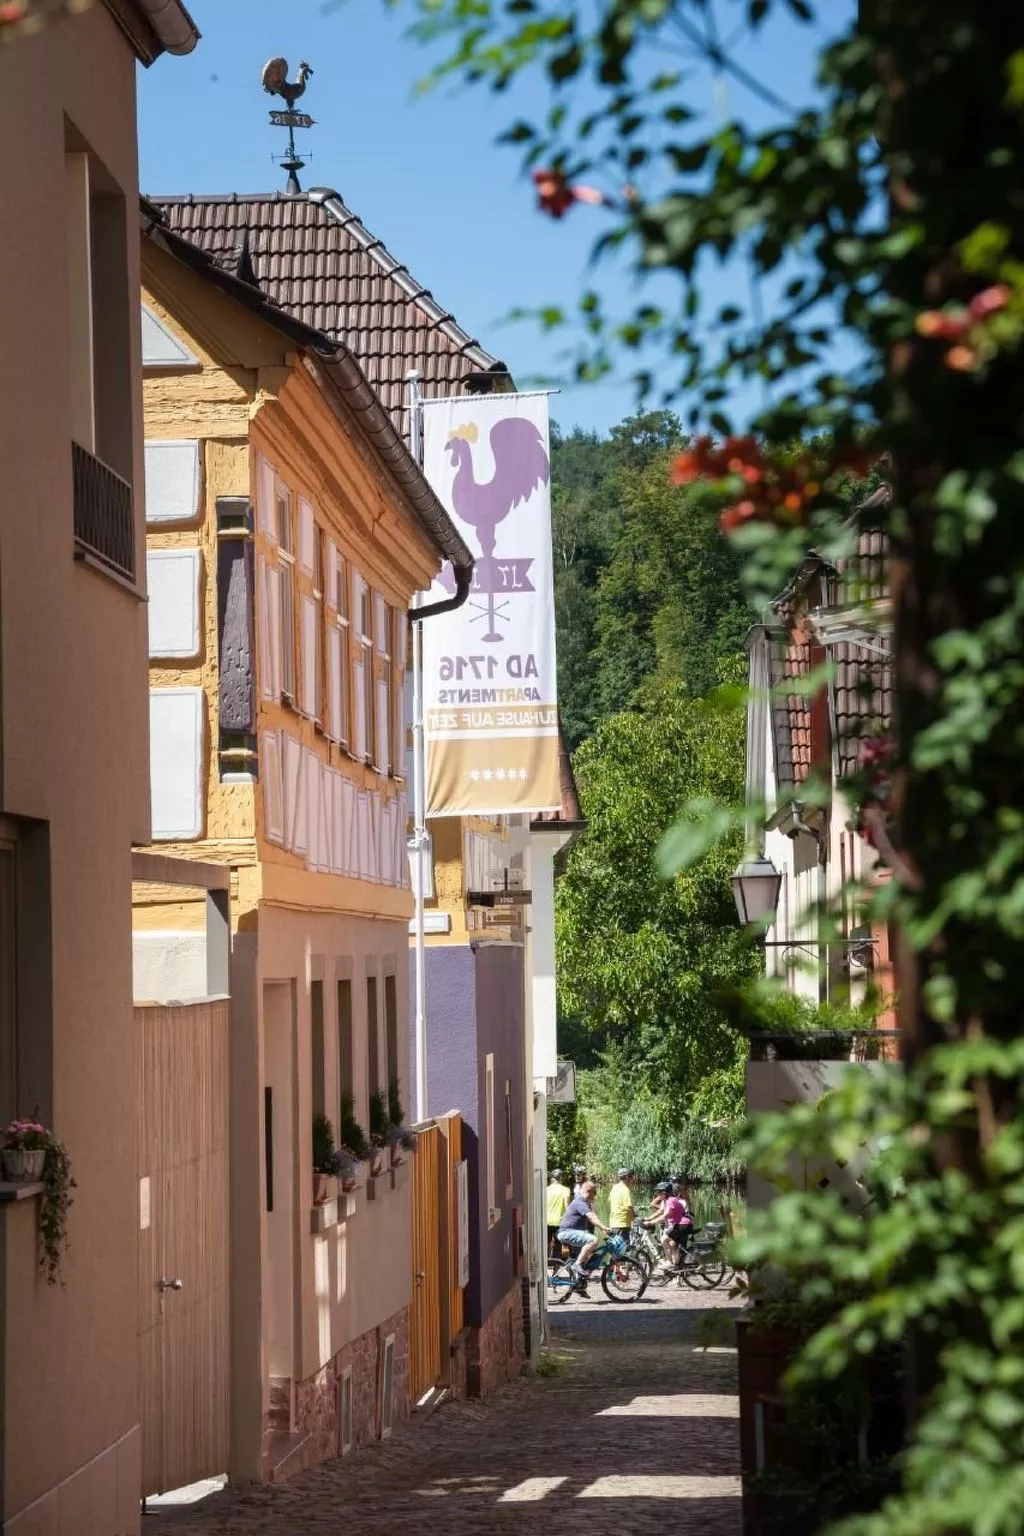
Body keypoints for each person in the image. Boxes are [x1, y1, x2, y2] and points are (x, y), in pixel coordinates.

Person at [556, 1178, 609, 1280]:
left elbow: (591, 1219)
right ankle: (577, 1264)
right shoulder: (580, 1202)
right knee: (593, 1240)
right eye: (595, 1192)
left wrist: (603, 1230)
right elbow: (591, 1216)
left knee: (586, 1258)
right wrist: (603, 1226)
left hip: (573, 1232)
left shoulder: (584, 1203)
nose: (595, 1195)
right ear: (589, 1191)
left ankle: (579, 1286)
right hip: (567, 1232)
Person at [545, 1167, 571, 1255]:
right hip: (560, 1222)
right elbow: (567, 1208)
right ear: (561, 1178)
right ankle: (564, 1261)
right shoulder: (565, 1190)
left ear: (552, 1179)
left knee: (547, 1243)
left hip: (547, 1221)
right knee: (564, 1243)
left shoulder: (546, 1190)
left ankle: (547, 1262)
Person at [608, 1167, 636, 1240]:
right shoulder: (625, 1190)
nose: (633, 1178)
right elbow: (628, 1207)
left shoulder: (614, 1188)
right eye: (631, 1176)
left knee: (616, 1250)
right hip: (622, 1224)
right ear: (627, 1177)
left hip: (613, 1223)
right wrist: (635, 1217)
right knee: (624, 1249)